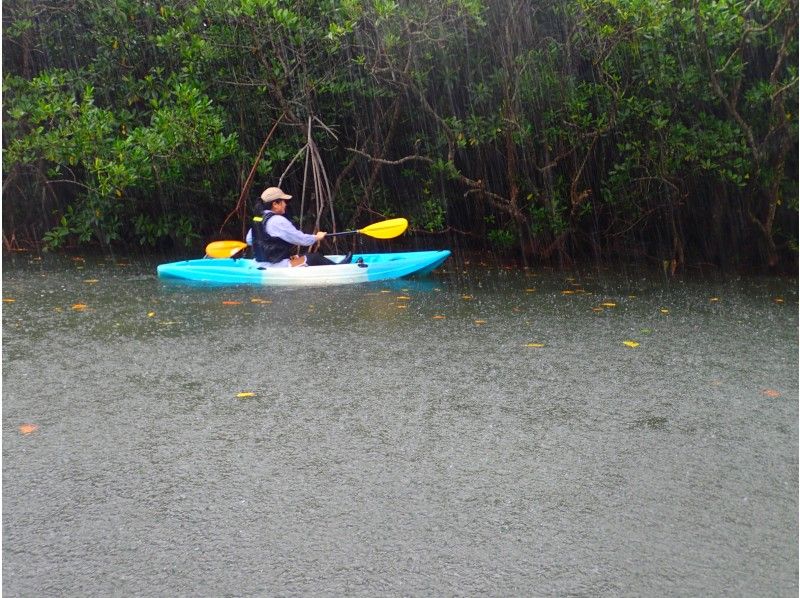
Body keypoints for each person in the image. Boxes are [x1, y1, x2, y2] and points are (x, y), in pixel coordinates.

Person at [246, 186, 352, 267]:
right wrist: (317, 237)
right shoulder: (277, 221)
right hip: (275, 266)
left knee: (302, 255)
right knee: (314, 257)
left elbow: (249, 240)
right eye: (283, 201)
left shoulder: (258, 219)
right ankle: (341, 267)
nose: (285, 204)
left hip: (260, 263)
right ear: (275, 204)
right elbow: (300, 239)